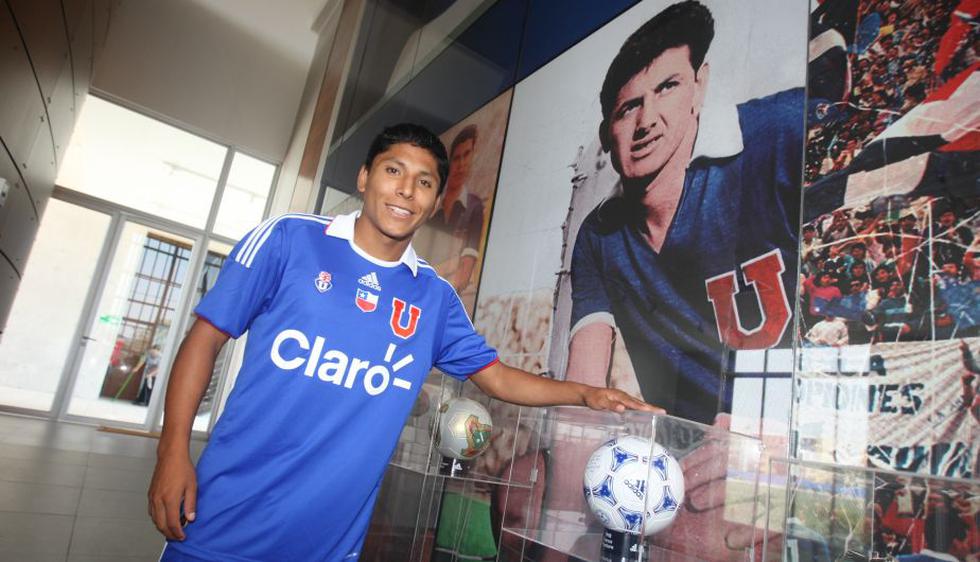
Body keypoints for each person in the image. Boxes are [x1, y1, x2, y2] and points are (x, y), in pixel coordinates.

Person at [148, 123, 658, 561]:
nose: (405, 191)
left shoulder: (433, 298)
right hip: (224, 517)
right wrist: (173, 453)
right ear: (365, 177)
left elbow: (496, 377)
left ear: (436, 201)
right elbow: (204, 337)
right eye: (393, 171)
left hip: (328, 541)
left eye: (424, 182)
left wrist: (586, 393)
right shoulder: (288, 240)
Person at [565, 0, 804, 423]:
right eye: (628, 108)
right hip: (684, 461)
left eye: (667, 87)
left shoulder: (779, 133)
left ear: (700, 86)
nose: (647, 121)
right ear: (607, 134)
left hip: (791, 436)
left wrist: (753, 428)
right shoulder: (599, 236)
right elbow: (582, 391)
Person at [426, 124, 485, 294]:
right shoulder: (433, 203)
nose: (462, 164)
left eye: (467, 155)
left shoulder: (474, 206)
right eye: (457, 158)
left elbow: (464, 271)